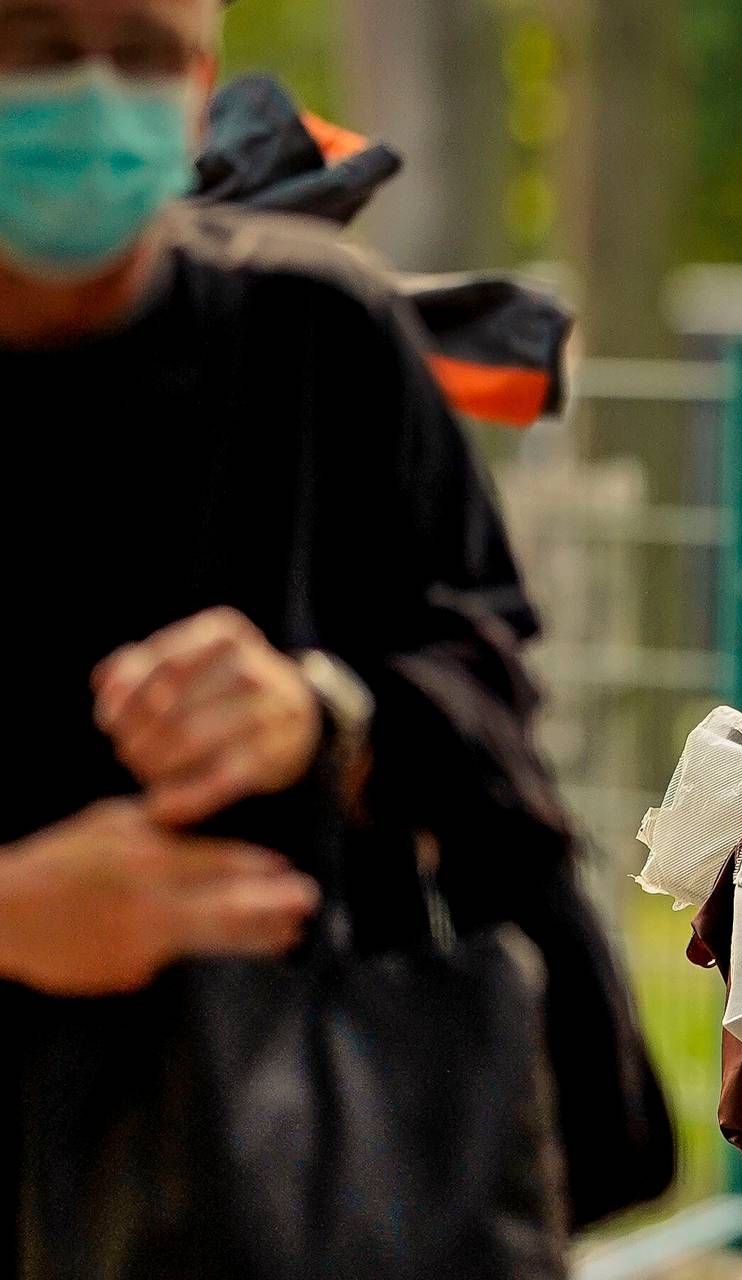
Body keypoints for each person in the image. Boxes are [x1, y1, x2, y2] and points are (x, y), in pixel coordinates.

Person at [1, 0, 667, 1271]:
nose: (90, 95)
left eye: (139, 50)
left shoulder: (316, 334)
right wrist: (19, 913)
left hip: (303, 1169)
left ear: (200, 85)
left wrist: (327, 716)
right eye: (34, 42)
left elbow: (489, 686)